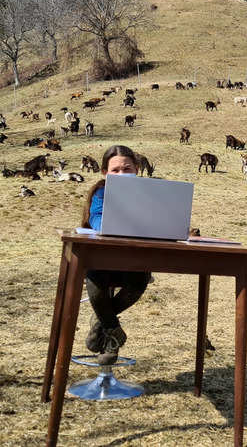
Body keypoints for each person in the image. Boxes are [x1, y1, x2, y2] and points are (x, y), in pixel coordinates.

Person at [80, 145, 151, 365]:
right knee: (95, 282)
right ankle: (113, 334)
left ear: (137, 169)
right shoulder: (101, 192)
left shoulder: (151, 194)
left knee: (140, 280)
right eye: (115, 170)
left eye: (127, 169)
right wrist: (110, 228)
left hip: (135, 260)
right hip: (102, 258)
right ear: (105, 173)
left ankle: (102, 320)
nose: (122, 174)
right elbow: (96, 216)